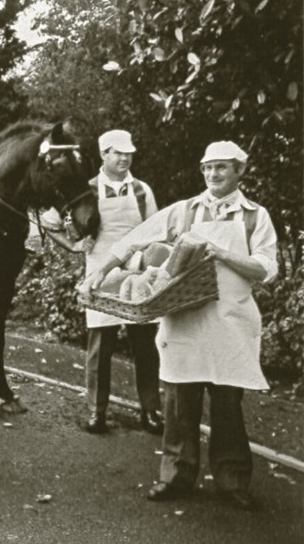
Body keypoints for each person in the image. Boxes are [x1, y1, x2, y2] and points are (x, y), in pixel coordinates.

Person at [81, 140, 278, 510]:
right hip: (184, 320)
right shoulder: (186, 211)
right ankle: (176, 476)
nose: (213, 174)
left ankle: (232, 480)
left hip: (231, 323)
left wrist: (221, 253)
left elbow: (267, 269)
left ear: (240, 171)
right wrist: (100, 273)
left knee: (227, 405)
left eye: (221, 167)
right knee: (178, 405)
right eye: (207, 168)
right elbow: (133, 241)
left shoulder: (255, 216)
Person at [83, 130, 163, 435]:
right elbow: (53, 221)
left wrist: (143, 261)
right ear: (104, 154)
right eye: (118, 152)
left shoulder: (142, 191)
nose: (124, 158)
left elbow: (156, 231)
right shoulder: (87, 190)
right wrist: (74, 244)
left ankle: (150, 410)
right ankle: (96, 411)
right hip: (99, 274)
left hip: (137, 273)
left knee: (145, 344)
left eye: (128, 152)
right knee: (100, 346)